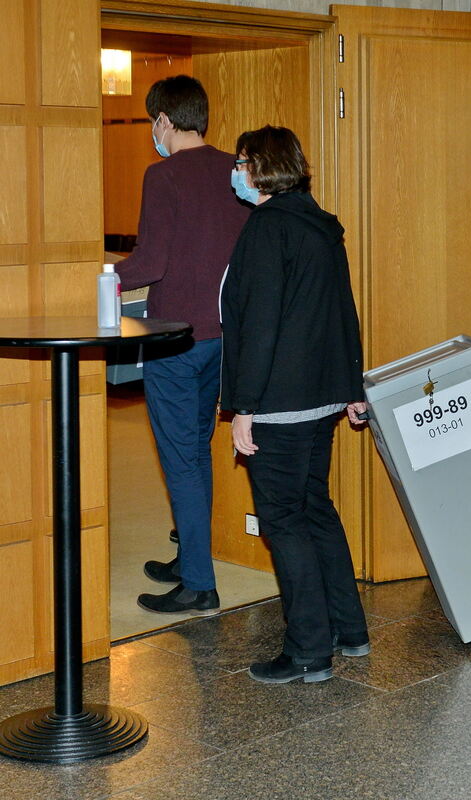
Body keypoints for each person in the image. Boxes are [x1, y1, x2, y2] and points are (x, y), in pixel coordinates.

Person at [220, 125, 370, 684]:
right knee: (315, 508)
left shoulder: (267, 228)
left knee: (283, 520)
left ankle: (308, 649)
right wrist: (352, 388)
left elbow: (258, 326)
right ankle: (348, 628)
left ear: (260, 168)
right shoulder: (321, 226)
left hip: (278, 402)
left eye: (241, 162)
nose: (235, 173)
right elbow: (344, 312)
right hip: (320, 398)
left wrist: (243, 407)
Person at [116, 75, 251, 615]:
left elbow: (152, 263)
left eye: (153, 122)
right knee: (196, 451)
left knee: (182, 459)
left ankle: (199, 584)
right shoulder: (235, 171)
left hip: (175, 341)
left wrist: (100, 278)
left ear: (163, 122)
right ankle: (190, 556)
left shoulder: (162, 175)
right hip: (224, 337)